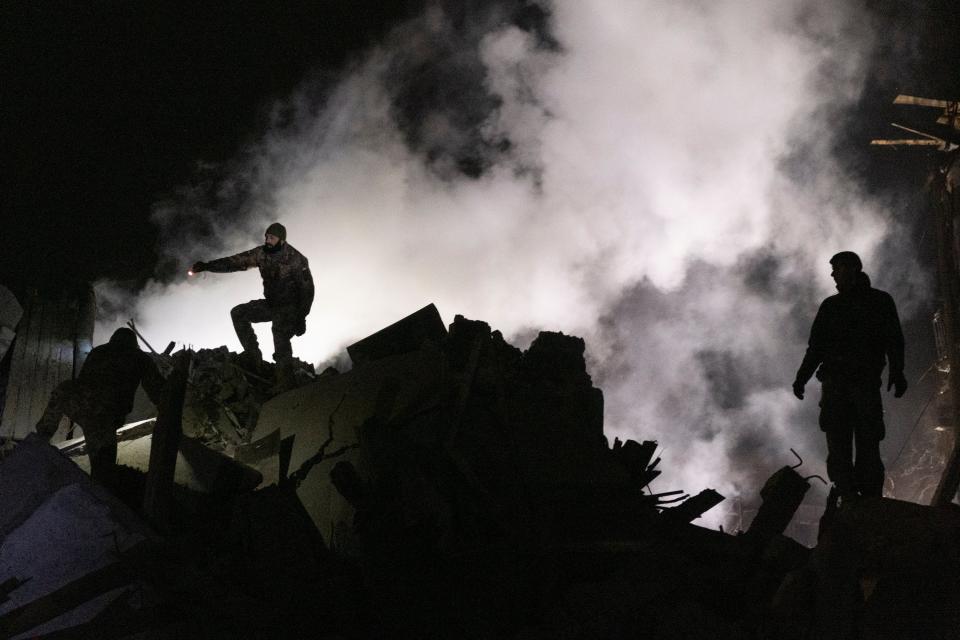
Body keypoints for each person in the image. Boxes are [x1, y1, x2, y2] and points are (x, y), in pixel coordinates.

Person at [792, 251, 907, 500]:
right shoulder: (834, 306)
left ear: (852, 268)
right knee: (840, 447)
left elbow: (894, 340)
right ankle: (848, 498)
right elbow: (816, 349)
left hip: (859, 385)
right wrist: (801, 378)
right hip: (838, 386)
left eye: (837, 268)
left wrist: (898, 371)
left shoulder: (876, 302)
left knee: (867, 444)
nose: (833, 274)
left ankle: (868, 501)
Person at [191, 222, 314, 390]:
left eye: (272, 237)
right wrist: (207, 266)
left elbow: (307, 291)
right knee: (238, 313)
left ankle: (286, 383)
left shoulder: (296, 259)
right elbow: (235, 262)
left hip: (289, 308)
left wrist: (301, 317)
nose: (268, 240)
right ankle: (253, 357)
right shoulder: (261, 254)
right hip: (271, 304)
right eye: (266, 237)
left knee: (279, 333)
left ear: (282, 240)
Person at [36, 327, 165, 484]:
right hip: (103, 417)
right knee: (103, 474)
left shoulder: (99, 351)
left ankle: (41, 438)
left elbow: (81, 380)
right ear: (134, 343)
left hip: (78, 403)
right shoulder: (140, 358)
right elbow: (157, 391)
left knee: (63, 391)